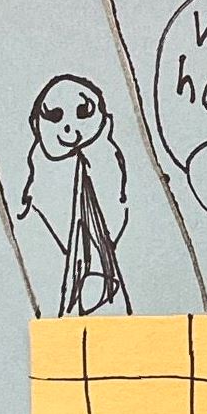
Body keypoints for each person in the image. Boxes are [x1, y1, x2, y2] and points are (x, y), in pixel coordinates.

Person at [18, 74, 131, 317]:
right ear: (37, 124)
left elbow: (116, 214)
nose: (69, 128)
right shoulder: (42, 173)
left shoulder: (103, 158)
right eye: (55, 117)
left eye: (83, 113)